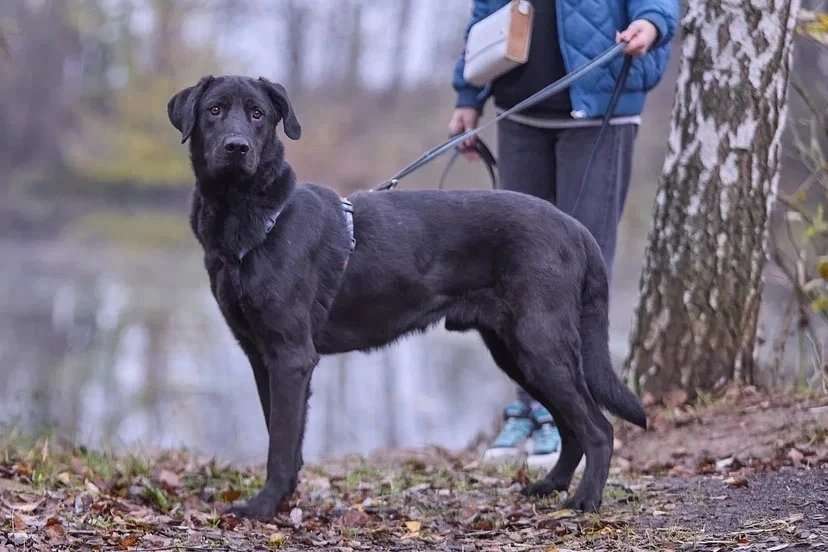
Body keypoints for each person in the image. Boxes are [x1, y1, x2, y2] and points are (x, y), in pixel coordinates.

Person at [451, 0, 678, 467]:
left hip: (600, 114)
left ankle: (567, 414)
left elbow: (657, 6)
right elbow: (484, 23)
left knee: (576, 273)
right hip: (520, 113)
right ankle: (530, 407)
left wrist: (650, 25)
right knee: (512, 274)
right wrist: (468, 98)